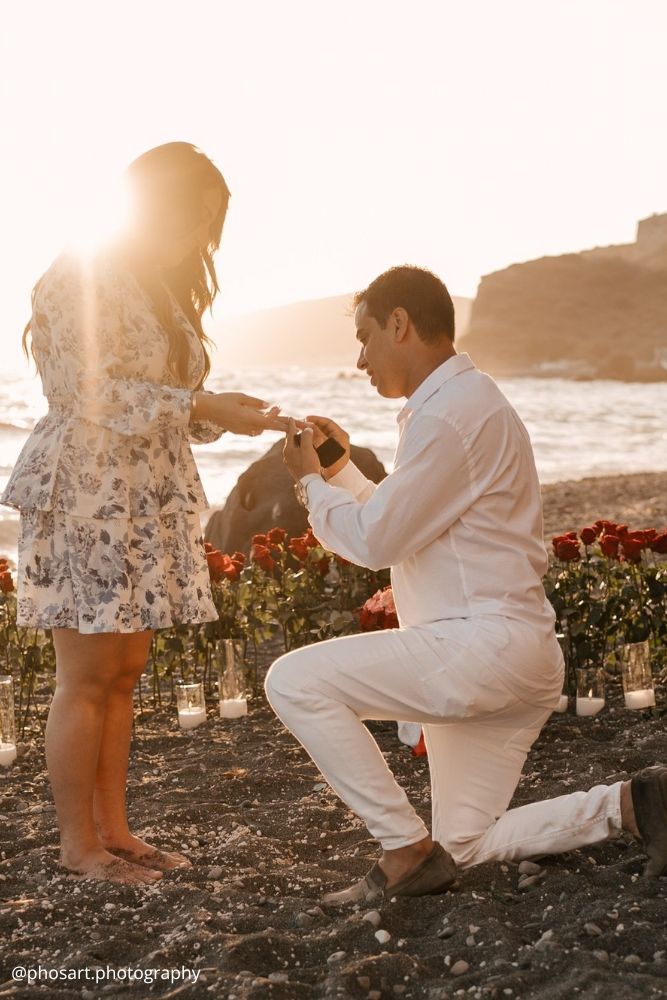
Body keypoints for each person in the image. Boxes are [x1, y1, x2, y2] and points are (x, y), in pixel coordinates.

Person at [268, 265, 666, 904]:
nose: (361, 358)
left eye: (367, 336)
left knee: (292, 681)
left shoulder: (450, 416)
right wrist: (339, 468)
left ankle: (401, 849)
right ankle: (633, 805)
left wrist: (308, 484)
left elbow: (375, 541)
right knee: (468, 844)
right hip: (504, 654)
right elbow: (398, 521)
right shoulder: (459, 406)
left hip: (479, 650)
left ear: (400, 324)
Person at [2, 142, 290, 885]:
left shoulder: (160, 288)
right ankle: (79, 846)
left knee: (125, 669)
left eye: (209, 224)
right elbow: (90, 391)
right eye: (192, 217)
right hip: (87, 492)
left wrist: (228, 413)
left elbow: (162, 404)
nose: (200, 238)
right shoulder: (80, 274)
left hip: (145, 493)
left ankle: (115, 829)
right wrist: (198, 403)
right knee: (88, 671)